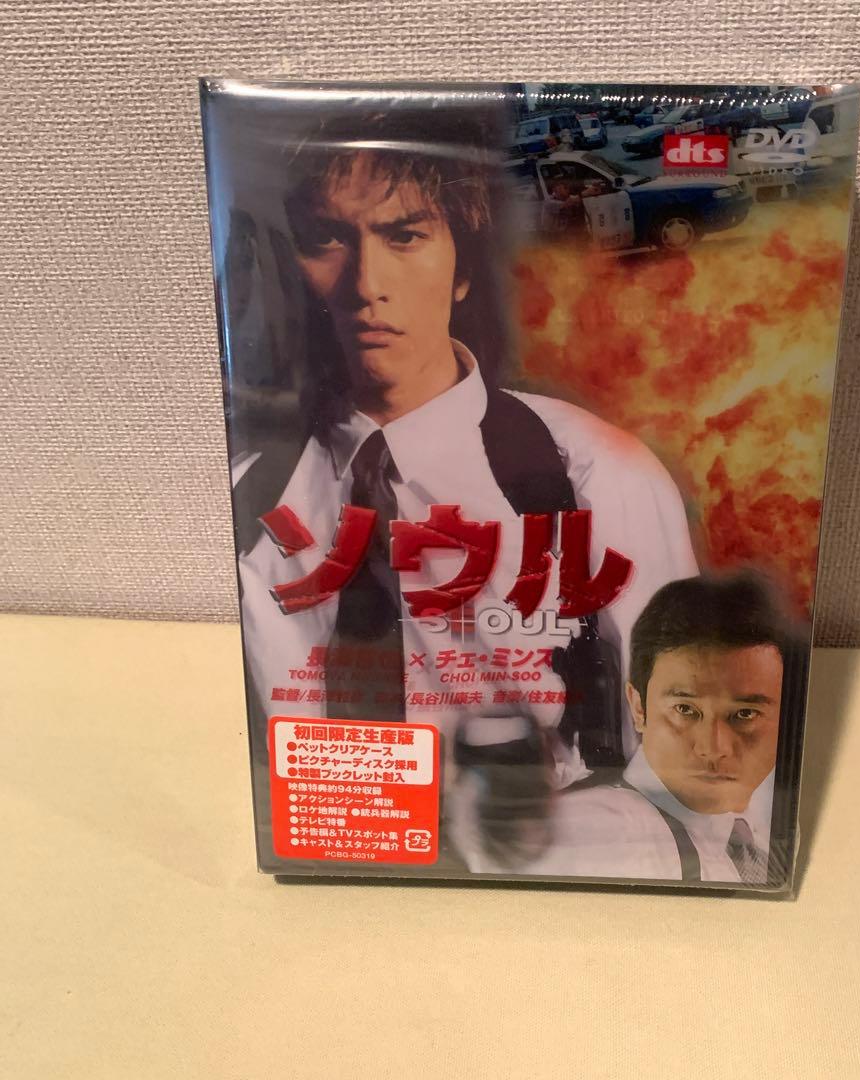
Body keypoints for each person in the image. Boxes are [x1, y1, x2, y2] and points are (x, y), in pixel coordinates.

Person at [228, 107, 698, 859]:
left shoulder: (593, 472)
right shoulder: (251, 498)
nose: (367, 284)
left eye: (405, 235)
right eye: (327, 239)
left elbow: (686, 759)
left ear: (464, 268)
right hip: (337, 860)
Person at [455, 571, 803, 884]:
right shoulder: (618, 827)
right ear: (638, 707)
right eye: (685, 710)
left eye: (744, 714)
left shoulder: (762, 831)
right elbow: (539, 846)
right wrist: (510, 825)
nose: (713, 747)